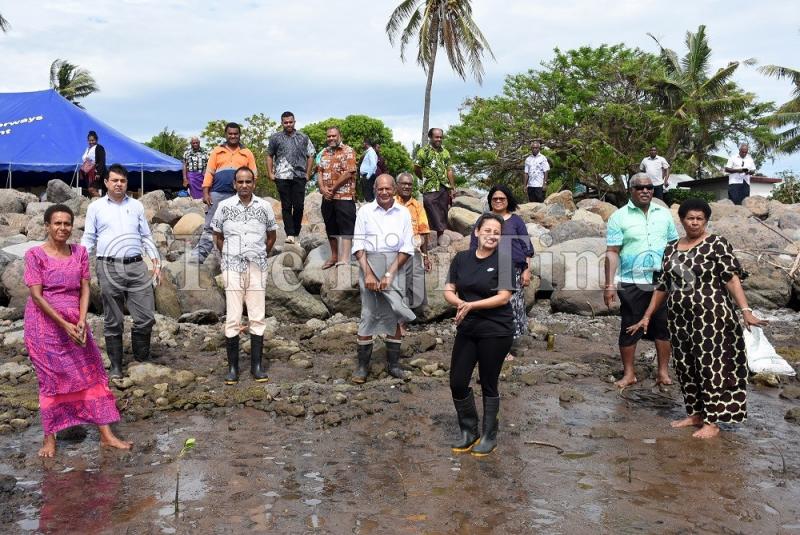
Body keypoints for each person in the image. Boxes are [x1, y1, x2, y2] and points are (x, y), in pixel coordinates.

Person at [627, 199, 768, 439]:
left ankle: (713, 420)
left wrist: (745, 311)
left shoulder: (716, 244)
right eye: (690, 218)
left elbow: (731, 279)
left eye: (699, 218)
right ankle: (696, 413)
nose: (694, 222)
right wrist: (647, 316)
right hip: (680, 318)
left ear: (706, 221)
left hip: (712, 317)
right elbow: (663, 285)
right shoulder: (671, 248)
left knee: (712, 367)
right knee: (686, 366)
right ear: (682, 220)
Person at [25, 204, 132, 457]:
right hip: (44, 325)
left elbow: (85, 288)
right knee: (50, 380)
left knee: (91, 375)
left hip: (76, 321)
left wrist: (82, 320)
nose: (62, 228)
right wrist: (63, 324)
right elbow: (37, 297)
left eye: (67, 223)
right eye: (57, 223)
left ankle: (106, 435)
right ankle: (49, 439)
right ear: (47, 226)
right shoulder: (34, 255)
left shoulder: (80, 253)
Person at [445, 213, 515, 457]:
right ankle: (469, 430)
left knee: (488, 382)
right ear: (476, 232)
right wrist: (460, 303)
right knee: (457, 381)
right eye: (488, 231)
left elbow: (504, 296)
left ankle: (489, 435)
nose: (492, 236)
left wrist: (470, 306)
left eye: (497, 232)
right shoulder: (461, 259)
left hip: (497, 329)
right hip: (468, 329)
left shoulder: (505, 260)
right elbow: (449, 290)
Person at [82, 164, 161, 378]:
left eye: (123, 181)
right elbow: (89, 238)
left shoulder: (136, 206)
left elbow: (146, 236)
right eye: (115, 180)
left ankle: (141, 357)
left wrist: (156, 261)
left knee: (146, 316)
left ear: (127, 183)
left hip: (136, 266)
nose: (119, 184)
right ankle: (116, 365)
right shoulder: (96, 207)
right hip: (107, 265)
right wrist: (78, 263)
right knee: (113, 319)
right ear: (106, 182)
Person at [604, 173, 678, 388]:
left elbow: (673, 246)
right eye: (639, 187)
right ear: (631, 190)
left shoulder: (664, 214)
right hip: (631, 279)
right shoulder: (619, 217)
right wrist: (609, 285)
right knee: (629, 325)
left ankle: (663, 372)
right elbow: (612, 251)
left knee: (663, 326)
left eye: (649, 187)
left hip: (661, 278)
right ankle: (629, 374)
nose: (645, 191)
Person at [212, 166, 278, 384]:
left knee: (257, 315)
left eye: (248, 181)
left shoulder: (265, 207)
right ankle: (233, 368)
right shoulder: (224, 207)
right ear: (234, 184)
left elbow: (271, 236)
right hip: (232, 266)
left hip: (257, 266)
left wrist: (258, 255)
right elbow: (218, 236)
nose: (244, 185)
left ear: (254, 183)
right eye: (240, 182)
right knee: (233, 316)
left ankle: (256, 367)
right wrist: (231, 256)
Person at [351, 174, 416, 384]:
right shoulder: (364, 211)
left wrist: (389, 274)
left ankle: (394, 365)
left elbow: (407, 247)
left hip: (396, 265)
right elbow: (358, 246)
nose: (385, 192)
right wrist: (368, 273)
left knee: (395, 313)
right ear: (375, 190)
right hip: (369, 264)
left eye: (388, 188)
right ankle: (362, 367)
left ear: (394, 189)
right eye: (381, 189)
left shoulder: (404, 213)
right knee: (368, 314)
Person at [470, 185, 534, 356]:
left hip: (513, 269)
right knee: (492, 306)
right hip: (489, 269)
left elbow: (527, 247)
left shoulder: (516, 221)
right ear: (490, 201)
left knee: (512, 307)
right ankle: (493, 344)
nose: (498, 201)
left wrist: (527, 270)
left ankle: (508, 346)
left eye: (502, 198)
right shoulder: (484, 220)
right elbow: (474, 246)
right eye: (495, 199)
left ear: (508, 200)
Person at [190, 122, 257, 263]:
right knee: (210, 227)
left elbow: (253, 176)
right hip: (217, 194)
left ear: (239, 135)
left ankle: (238, 258)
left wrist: (250, 195)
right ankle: (198, 257)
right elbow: (209, 172)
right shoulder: (217, 151)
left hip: (239, 196)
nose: (233, 136)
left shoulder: (247, 153)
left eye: (235, 133)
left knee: (238, 227)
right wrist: (205, 192)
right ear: (226, 135)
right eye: (230, 133)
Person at [267, 111, 315, 244]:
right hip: (282, 176)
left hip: (299, 176)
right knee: (286, 206)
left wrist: (308, 173)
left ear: (294, 122)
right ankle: (290, 234)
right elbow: (269, 155)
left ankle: (296, 232)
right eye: (285, 122)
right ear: (282, 123)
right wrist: (271, 173)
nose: (288, 124)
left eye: (290, 122)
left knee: (299, 206)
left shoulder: (303, 137)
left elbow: (311, 154)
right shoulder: (275, 138)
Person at [317, 126, 357, 269]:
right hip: (327, 197)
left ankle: (345, 259)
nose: (331, 138)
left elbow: (349, 173)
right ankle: (334, 256)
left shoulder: (348, 151)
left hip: (344, 196)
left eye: (334, 136)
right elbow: (319, 172)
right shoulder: (324, 153)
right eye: (329, 136)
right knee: (331, 226)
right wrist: (322, 188)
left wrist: (333, 189)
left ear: (340, 136)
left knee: (346, 228)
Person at [396, 172, 431, 309]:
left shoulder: (418, 206)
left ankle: (414, 314)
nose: (406, 186)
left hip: (413, 249)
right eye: (403, 183)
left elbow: (424, 232)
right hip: (393, 249)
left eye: (409, 184)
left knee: (416, 282)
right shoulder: (390, 203)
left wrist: (426, 256)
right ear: (397, 186)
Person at [415, 128, 455, 244]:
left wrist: (452, 187)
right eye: (436, 137)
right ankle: (430, 235)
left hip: (443, 186)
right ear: (430, 137)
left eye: (441, 137)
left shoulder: (445, 152)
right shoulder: (423, 152)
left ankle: (441, 236)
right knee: (429, 207)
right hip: (429, 186)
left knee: (443, 210)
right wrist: (424, 177)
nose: (439, 139)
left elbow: (449, 170)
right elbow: (416, 168)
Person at [79, 130, 107, 198]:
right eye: (89, 140)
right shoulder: (88, 149)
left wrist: (99, 173)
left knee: (92, 189)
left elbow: (102, 161)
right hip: (88, 173)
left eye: (93, 140)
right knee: (90, 190)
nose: (91, 142)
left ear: (96, 140)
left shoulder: (99, 148)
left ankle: (101, 203)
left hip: (96, 172)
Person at [359, 138, 378, 203]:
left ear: (366, 143)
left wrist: (367, 176)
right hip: (366, 176)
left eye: (363, 143)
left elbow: (373, 165)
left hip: (368, 176)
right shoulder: (368, 152)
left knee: (369, 197)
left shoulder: (371, 152)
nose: (362, 144)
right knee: (366, 195)